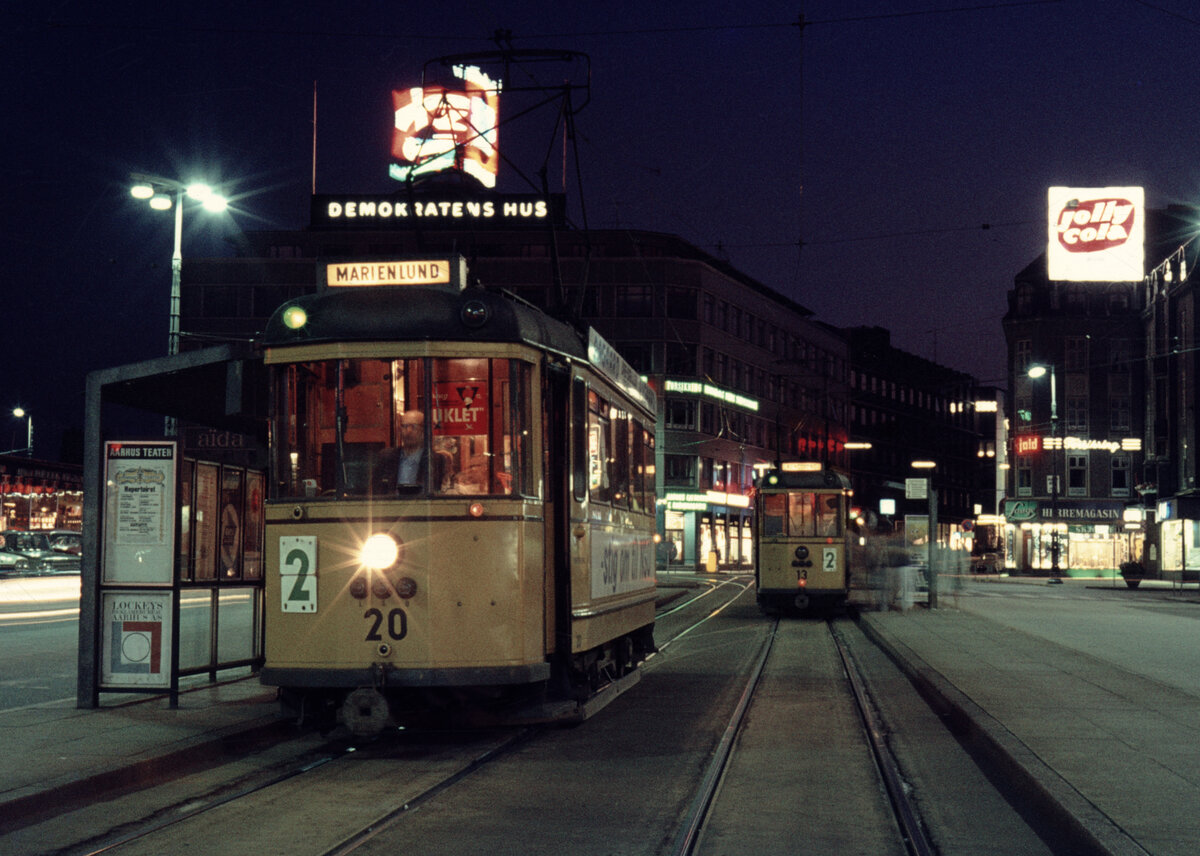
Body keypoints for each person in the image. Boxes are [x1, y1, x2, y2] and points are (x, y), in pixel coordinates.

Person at [396, 410, 427, 486]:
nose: (408, 431)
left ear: (423, 430)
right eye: (405, 426)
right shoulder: (387, 457)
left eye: (414, 426)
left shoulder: (433, 460)